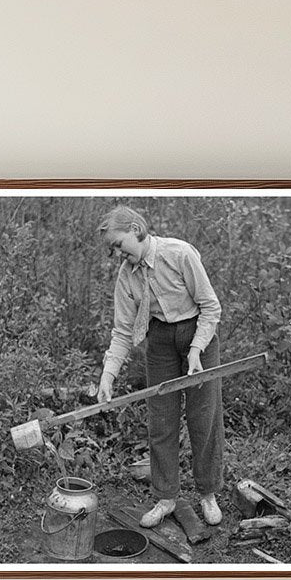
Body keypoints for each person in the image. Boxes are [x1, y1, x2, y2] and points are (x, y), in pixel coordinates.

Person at [96, 205, 225, 528]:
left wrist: (196, 350)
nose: (117, 254)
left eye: (118, 245)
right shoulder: (127, 277)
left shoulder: (179, 254)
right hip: (161, 341)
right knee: (162, 420)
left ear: (136, 230)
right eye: (112, 250)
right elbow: (123, 332)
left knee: (203, 417)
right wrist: (108, 376)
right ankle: (166, 497)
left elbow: (211, 306)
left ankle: (208, 493)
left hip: (199, 332)